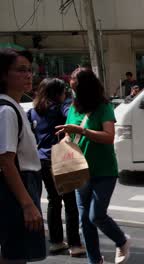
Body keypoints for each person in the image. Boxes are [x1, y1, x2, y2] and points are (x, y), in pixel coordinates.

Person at [55, 67, 130, 264]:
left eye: (76, 89)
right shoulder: (73, 107)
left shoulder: (104, 107)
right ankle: (94, 261)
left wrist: (82, 130)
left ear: (87, 89)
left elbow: (108, 137)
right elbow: (68, 134)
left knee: (96, 215)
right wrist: (64, 140)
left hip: (104, 171)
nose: (74, 93)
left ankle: (121, 241)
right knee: (84, 222)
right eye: (72, 90)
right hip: (80, 171)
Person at [27, 78, 86, 257]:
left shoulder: (32, 112)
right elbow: (76, 118)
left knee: (53, 200)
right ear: (58, 93)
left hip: (42, 159)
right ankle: (75, 245)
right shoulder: (61, 108)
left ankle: (55, 242)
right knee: (70, 202)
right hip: (61, 157)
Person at [0, 48, 46, 263]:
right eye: (20, 70)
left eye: (29, 70)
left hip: (22, 186)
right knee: (15, 255)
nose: (28, 75)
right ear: (3, 75)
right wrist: (27, 204)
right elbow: (6, 162)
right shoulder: (6, 110)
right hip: (16, 190)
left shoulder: (14, 106)